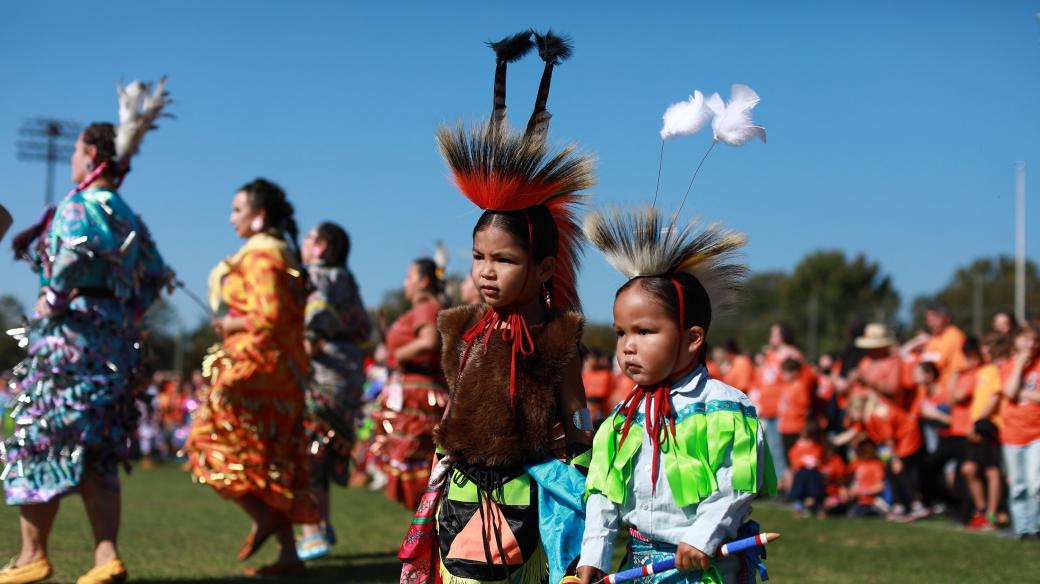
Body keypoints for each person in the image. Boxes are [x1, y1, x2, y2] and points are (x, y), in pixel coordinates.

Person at [398, 30, 594, 584]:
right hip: (459, 490)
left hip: (526, 498)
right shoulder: (462, 328)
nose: (485, 271)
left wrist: (578, 476)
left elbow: (577, 415)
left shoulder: (557, 336)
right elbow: (459, 402)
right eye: (479, 257)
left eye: (503, 260)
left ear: (543, 270)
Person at [2, 80, 172, 584]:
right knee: (96, 451)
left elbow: (72, 257)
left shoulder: (78, 206)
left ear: (92, 152)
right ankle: (105, 557)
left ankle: (32, 555)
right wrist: (126, 312)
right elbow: (157, 274)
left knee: (40, 442)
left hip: (68, 345)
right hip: (112, 346)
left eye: (77, 151)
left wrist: (53, 298)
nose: (74, 159)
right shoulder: (125, 214)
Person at [579, 207, 775, 584]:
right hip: (639, 569)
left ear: (691, 338)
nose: (628, 347)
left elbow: (735, 483)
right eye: (621, 333)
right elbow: (604, 496)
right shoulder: (623, 417)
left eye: (645, 331)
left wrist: (702, 537)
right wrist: (594, 558)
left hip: (706, 568)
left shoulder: (724, 408)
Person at [185, 178, 315, 576]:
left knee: (203, 442)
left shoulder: (261, 258)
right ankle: (289, 555)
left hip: (256, 372)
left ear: (259, 218)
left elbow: (269, 317)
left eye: (237, 211)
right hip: (282, 374)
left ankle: (264, 516)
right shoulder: (283, 255)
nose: (231, 219)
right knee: (273, 457)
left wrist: (230, 322)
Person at [294, 222, 371, 560]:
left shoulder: (317, 276)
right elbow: (365, 327)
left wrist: (305, 344)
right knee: (320, 454)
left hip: (320, 375)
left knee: (305, 452)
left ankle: (311, 532)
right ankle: (321, 524)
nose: (304, 243)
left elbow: (316, 315)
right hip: (349, 375)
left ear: (322, 246)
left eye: (310, 238)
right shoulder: (347, 278)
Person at [370, 257, 447, 511]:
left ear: (423, 281)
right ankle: (426, 534)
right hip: (412, 392)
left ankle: (430, 533)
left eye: (409, 277)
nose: (405, 283)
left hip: (422, 396)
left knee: (420, 464)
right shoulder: (422, 309)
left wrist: (397, 356)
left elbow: (429, 342)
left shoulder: (426, 307)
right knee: (414, 465)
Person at [962, 333, 1009, 530]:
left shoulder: (998, 370)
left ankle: (992, 514)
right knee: (969, 469)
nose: (983, 350)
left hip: (990, 427)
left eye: (987, 347)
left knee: (992, 471)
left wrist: (978, 423)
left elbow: (994, 399)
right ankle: (981, 510)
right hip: (978, 425)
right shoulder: (982, 370)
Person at [999, 324, 1040, 539]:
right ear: (1016, 341)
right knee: (1018, 485)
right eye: (1025, 339)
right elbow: (1008, 392)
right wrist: (1020, 365)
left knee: (1036, 482)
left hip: (1037, 433)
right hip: (1013, 434)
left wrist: (1022, 392)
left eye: (1034, 340)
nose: (1030, 345)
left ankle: (1036, 527)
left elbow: (1017, 392)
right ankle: (1022, 528)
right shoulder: (1008, 365)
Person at [846, 440, 886, 518]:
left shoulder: (876, 465)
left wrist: (862, 492)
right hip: (855, 501)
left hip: (869, 503)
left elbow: (880, 486)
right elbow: (845, 478)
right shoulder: (856, 464)